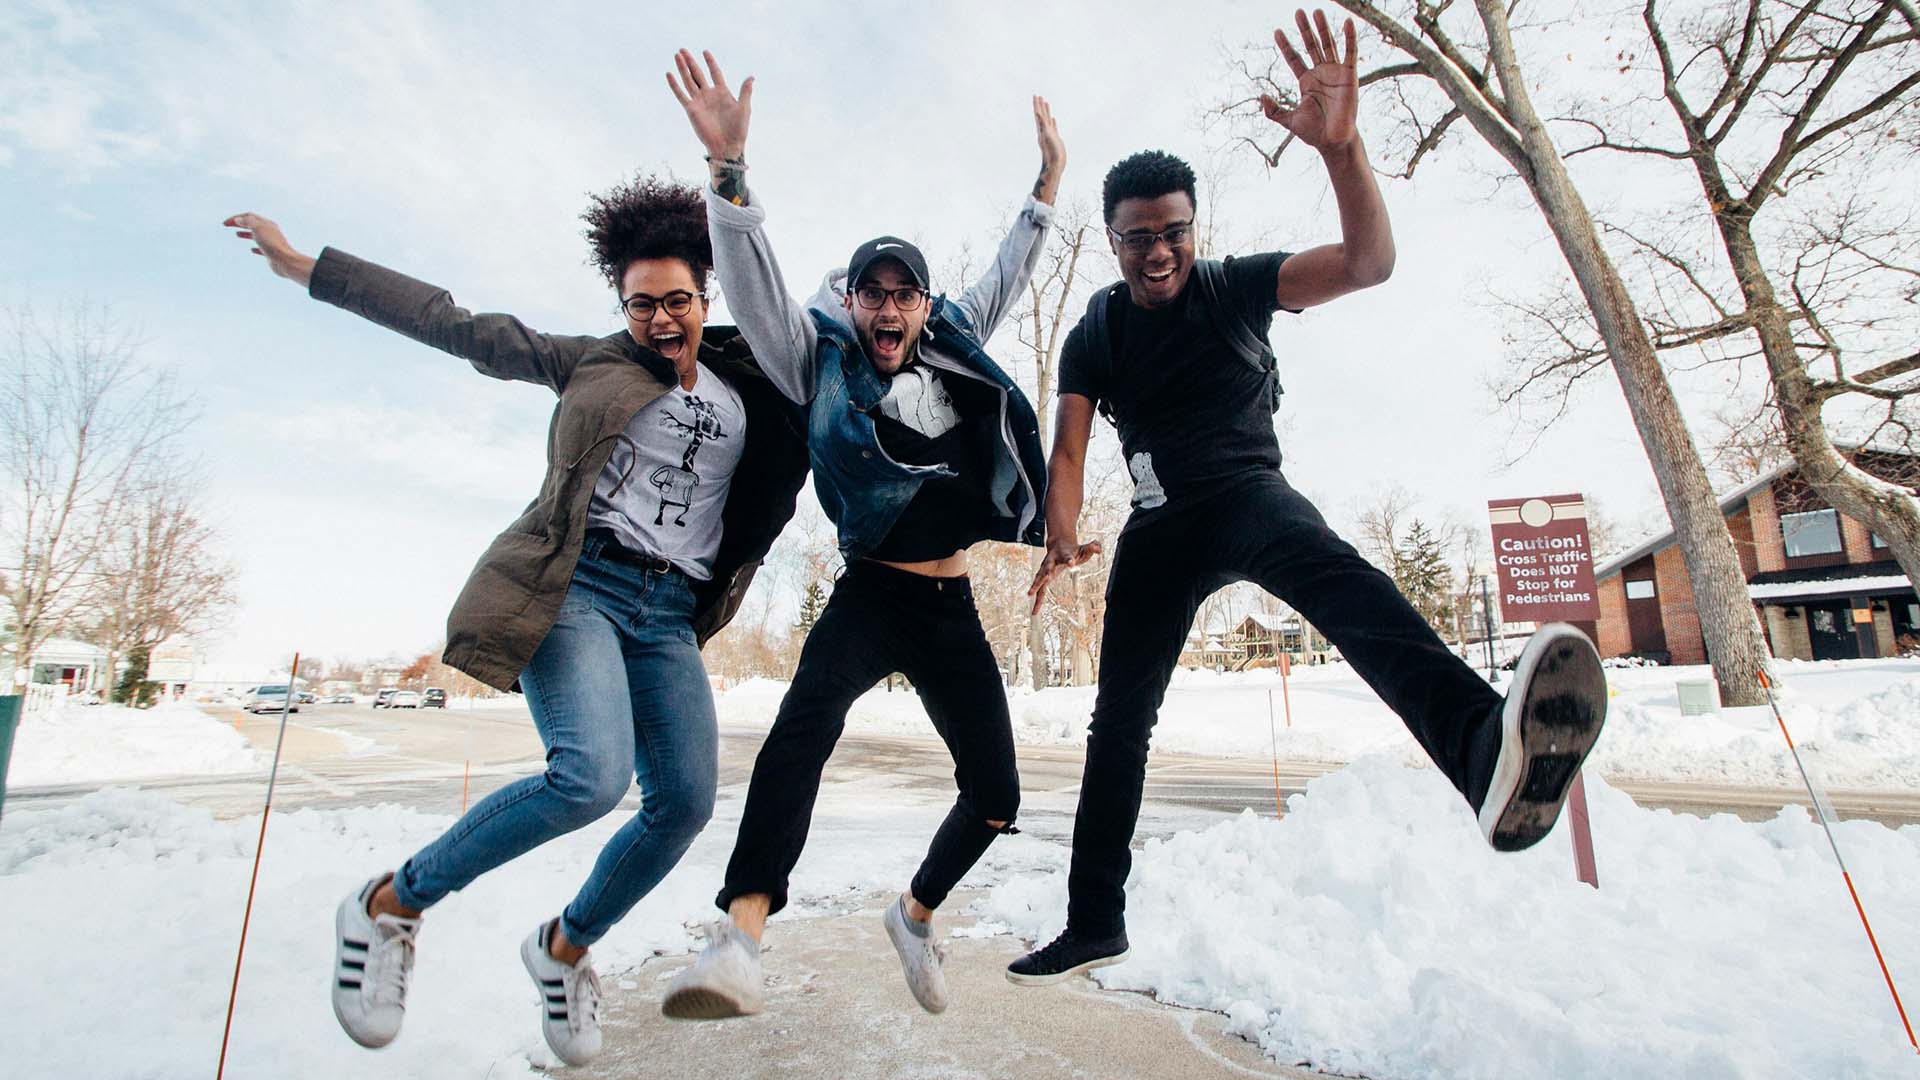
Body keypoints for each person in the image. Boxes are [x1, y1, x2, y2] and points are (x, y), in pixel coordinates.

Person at [1012, 9, 1607, 985]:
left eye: (1172, 233)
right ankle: (1093, 919)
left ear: (1192, 230)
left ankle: (1482, 750)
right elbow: (1069, 444)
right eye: (1136, 240)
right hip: (1160, 531)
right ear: (1110, 240)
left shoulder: (1238, 286)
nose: (1156, 253)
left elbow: (1368, 264)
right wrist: (1062, 533)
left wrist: (1341, 150)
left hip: (1248, 496)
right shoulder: (1097, 331)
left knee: (1347, 587)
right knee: (1119, 720)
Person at [222, 175, 808, 1064]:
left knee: (684, 803)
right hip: (575, 588)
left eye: (677, 301)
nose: (660, 320)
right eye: (640, 304)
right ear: (622, 304)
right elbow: (454, 323)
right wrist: (312, 268)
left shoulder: (749, 383)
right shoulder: (591, 362)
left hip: (668, 615)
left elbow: (821, 352)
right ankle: (390, 903)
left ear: (705, 296)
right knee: (588, 777)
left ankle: (563, 950)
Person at [658, 48, 1061, 1017]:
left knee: (998, 794)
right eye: (872, 293)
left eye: (903, 294)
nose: (888, 308)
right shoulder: (817, 362)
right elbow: (754, 290)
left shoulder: (954, 340)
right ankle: (740, 936)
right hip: (870, 591)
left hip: (949, 598)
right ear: (853, 303)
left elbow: (1008, 274)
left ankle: (914, 914)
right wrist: (730, 179)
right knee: (799, 737)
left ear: (922, 305)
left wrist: (1046, 186)